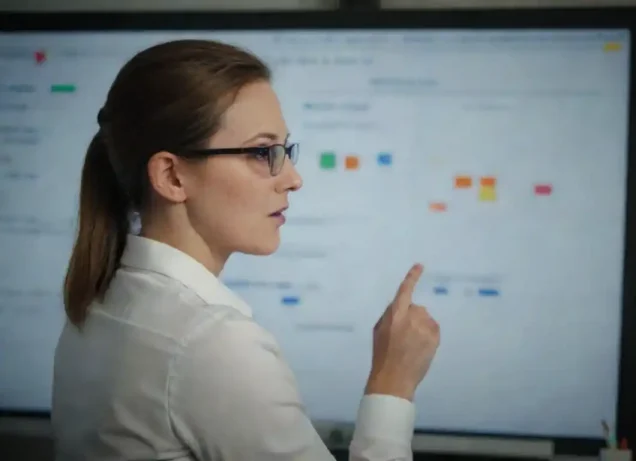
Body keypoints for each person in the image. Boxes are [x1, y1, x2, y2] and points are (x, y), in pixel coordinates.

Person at [52, 39, 441, 461]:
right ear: (172, 176)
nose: (293, 178)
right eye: (262, 152)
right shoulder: (212, 344)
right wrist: (392, 383)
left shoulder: (93, 306)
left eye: (284, 150)